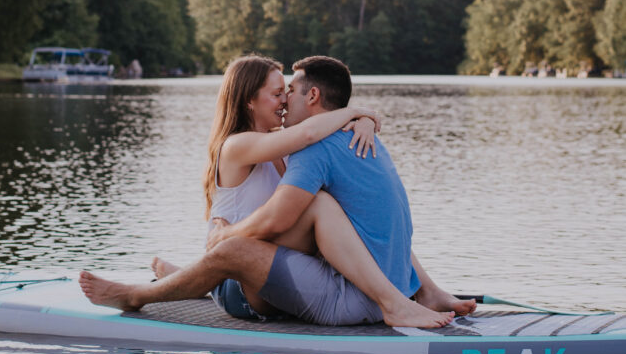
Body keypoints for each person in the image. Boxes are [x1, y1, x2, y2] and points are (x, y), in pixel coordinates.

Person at [81, 55, 472, 327]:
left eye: (288, 91)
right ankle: (140, 294)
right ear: (250, 99)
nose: (284, 101)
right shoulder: (238, 145)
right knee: (235, 249)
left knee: (345, 209)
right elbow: (306, 134)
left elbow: (309, 137)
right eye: (276, 93)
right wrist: (356, 112)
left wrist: (364, 116)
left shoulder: (284, 145)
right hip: (242, 279)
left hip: (270, 263)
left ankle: (185, 275)